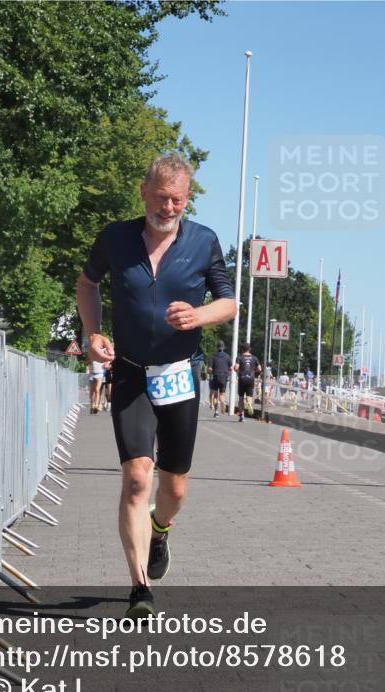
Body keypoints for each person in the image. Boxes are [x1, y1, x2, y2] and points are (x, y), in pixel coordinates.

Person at [76, 154, 236, 618]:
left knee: (175, 488)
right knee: (136, 479)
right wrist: (93, 334)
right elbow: (87, 285)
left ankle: (160, 530)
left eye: (177, 200)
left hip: (180, 374)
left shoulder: (203, 241)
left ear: (188, 199)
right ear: (144, 191)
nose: (168, 208)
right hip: (129, 371)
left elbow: (229, 302)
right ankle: (140, 589)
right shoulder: (115, 237)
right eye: (161, 197)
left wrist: (198, 315)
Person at [233, 342, 261, 422]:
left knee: (241, 398)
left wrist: (238, 371)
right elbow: (260, 369)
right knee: (249, 396)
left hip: (242, 378)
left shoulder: (239, 357)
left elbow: (236, 367)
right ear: (250, 349)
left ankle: (241, 416)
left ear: (242, 349)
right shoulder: (254, 358)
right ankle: (249, 403)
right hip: (251, 379)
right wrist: (253, 370)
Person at [209, 340, 232, 417]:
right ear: (223, 347)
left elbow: (210, 369)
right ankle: (222, 402)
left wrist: (209, 372)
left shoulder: (213, 356)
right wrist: (228, 373)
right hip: (224, 377)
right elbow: (231, 368)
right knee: (222, 394)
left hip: (215, 376)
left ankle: (216, 412)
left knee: (215, 395)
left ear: (217, 347)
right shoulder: (227, 356)